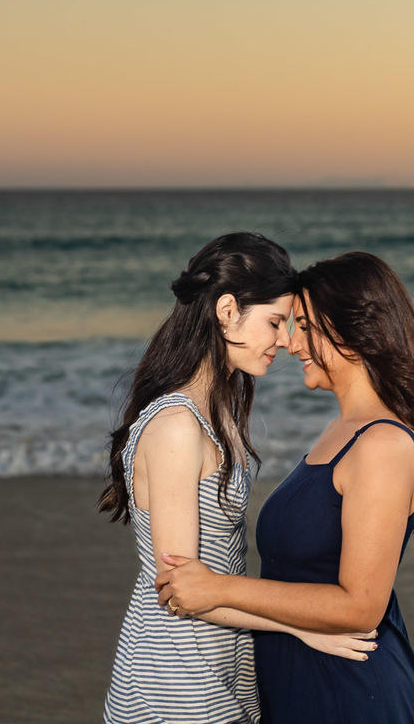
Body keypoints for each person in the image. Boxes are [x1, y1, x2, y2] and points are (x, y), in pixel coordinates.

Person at [156, 251, 414, 724]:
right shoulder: (341, 431)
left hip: (352, 692)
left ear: (351, 331)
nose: (291, 344)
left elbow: (361, 606)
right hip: (302, 680)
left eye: (303, 326)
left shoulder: (382, 444)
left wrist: (219, 588)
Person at [98, 233, 376, 724]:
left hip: (221, 667)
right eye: (274, 321)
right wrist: (301, 627)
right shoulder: (177, 425)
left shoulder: (220, 411)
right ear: (227, 311)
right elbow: (180, 590)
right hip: (173, 685)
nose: (285, 341)